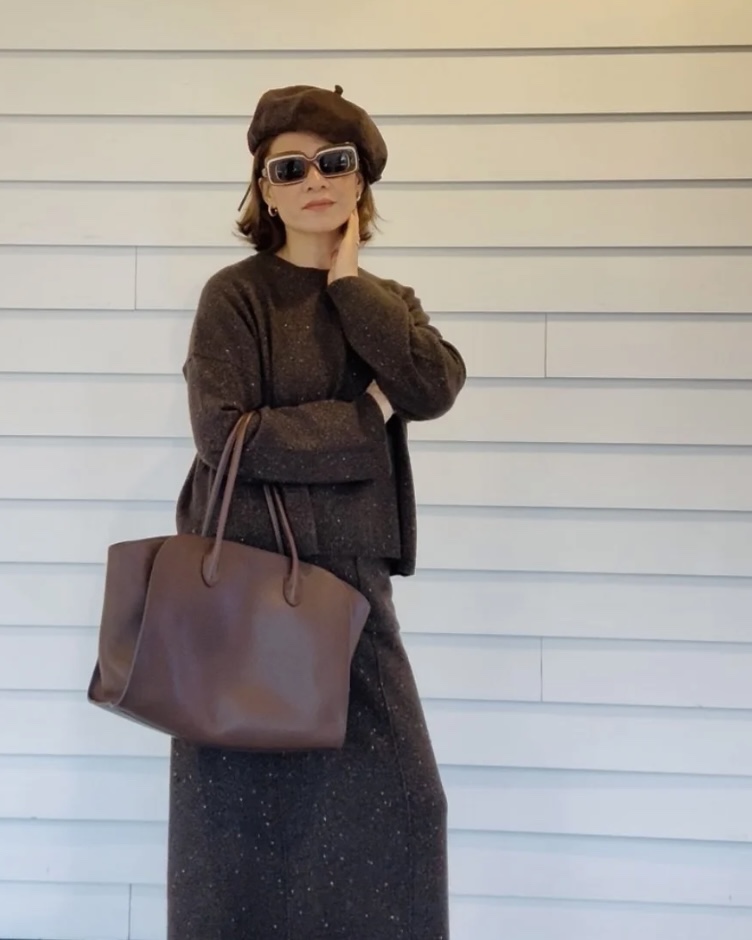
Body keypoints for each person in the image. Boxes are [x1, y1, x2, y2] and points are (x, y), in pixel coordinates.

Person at [168, 83, 466, 939]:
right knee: (239, 832)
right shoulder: (235, 296)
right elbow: (227, 438)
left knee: (409, 808)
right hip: (245, 591)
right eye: (288, 168)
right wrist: (363, 418)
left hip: (356, 593)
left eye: (334, 163)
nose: (314, 181)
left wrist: (348, 286)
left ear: (361, 180)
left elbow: (433, 386)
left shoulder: (386, 301)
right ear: (264, 191)